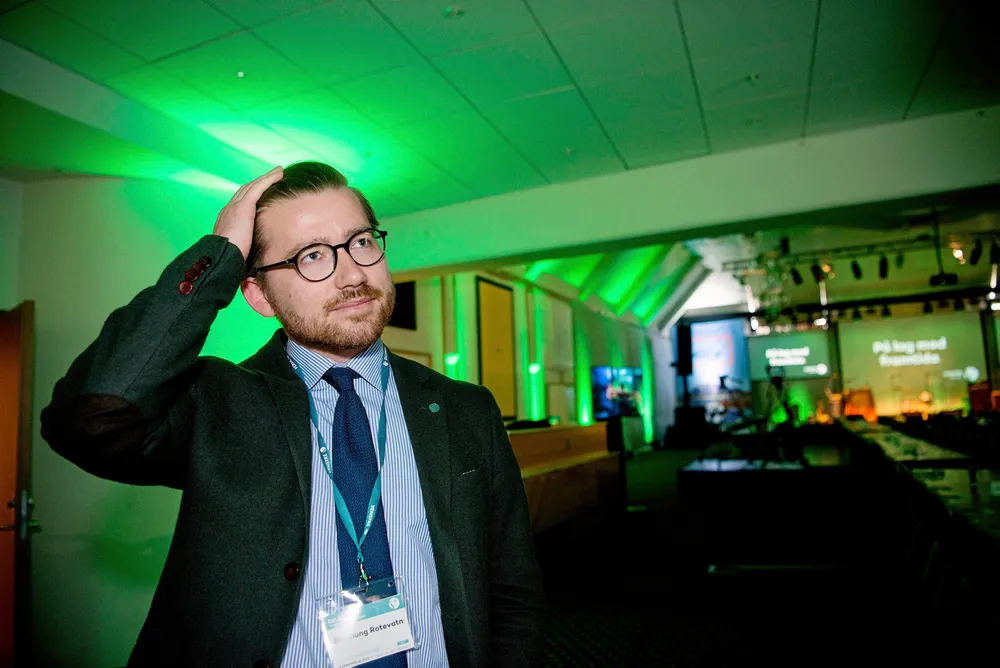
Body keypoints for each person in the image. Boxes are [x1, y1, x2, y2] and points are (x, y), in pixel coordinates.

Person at [40, 162, 544, 667]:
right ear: (259, 294)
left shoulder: (464, 408)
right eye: (312, 256)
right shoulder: (217, 402)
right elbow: (91, 416)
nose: (353, 274)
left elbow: (512, 589)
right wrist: (220, 253)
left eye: (361, 242)